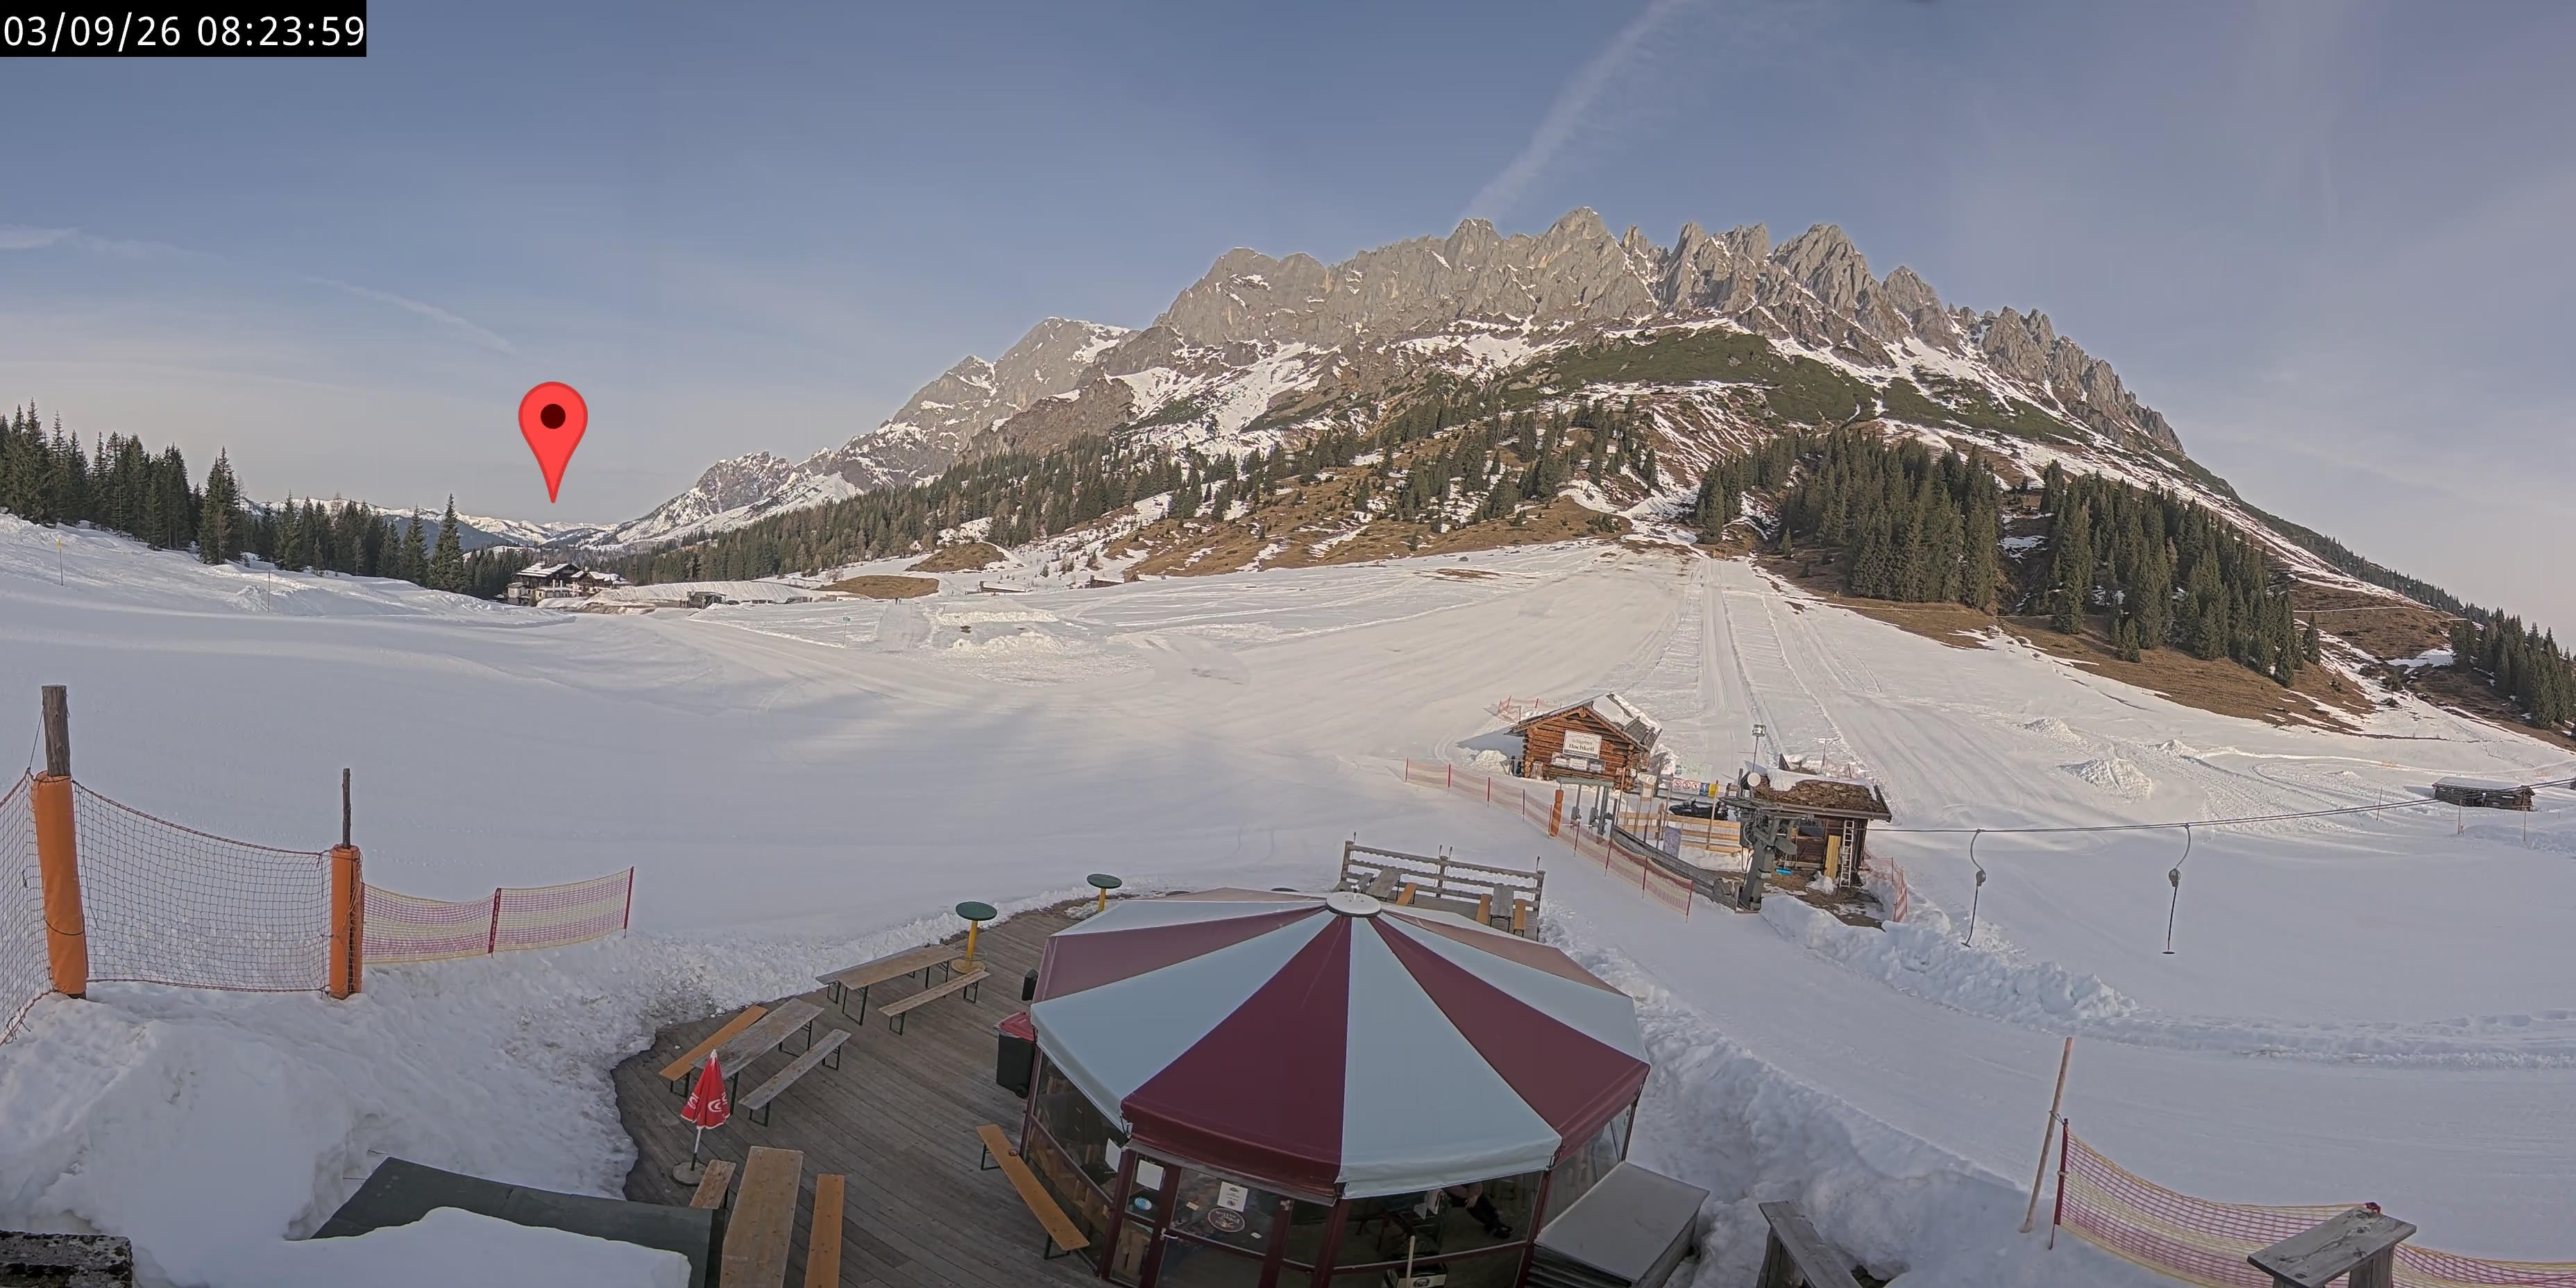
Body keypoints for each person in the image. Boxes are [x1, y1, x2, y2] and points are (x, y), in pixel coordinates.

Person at [1440, 1180, 1511, 1239]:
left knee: (1481, 1199)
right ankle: (1492, 1225)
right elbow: (1448, 1185)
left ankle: (1495, 1222)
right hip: (1449, 1190)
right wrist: (1471, 1196)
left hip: (1465, 1187)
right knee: (1470, 1203)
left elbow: (1477, 1179)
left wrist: (1475, 1194)